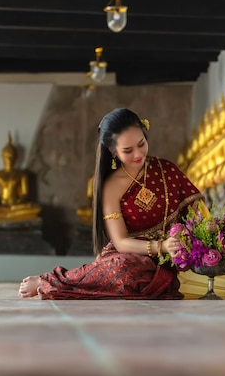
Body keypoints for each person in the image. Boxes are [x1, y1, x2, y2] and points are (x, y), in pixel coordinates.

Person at [19, 108, 204, 299]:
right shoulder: (111, 187)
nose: (138, 154)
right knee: (126, 271)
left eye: (141, 144)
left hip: (176, 254)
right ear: (112, 151)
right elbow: (121, 242)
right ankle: (51, 281)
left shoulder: (167, 170)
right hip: (132, 258)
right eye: (127, 150)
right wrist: (161, 247)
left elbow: (198, 213)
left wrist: (187, 239)